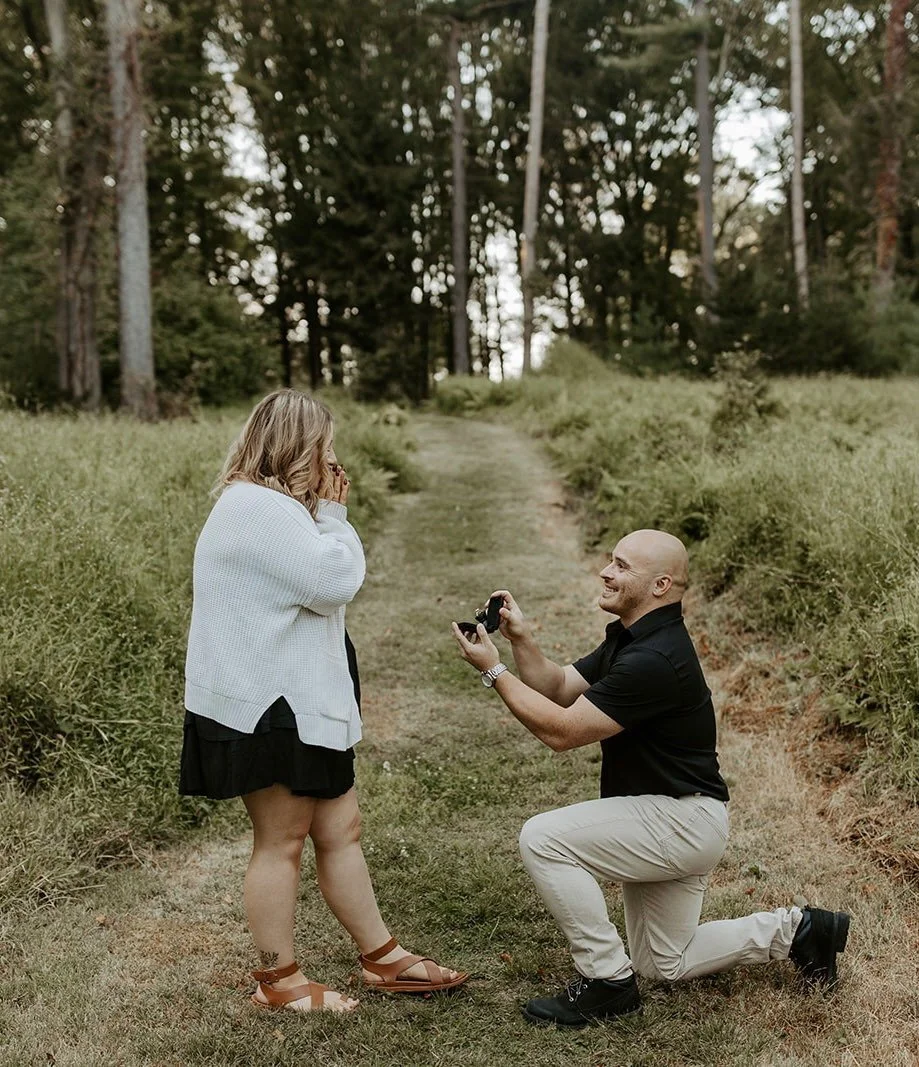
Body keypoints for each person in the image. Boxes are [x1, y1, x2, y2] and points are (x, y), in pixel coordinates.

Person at [451, 528, 849, 1028]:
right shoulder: (634, 638)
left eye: (621, 566)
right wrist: (520, 641)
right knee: (665, 962)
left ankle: (606, 981)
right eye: (610, 560)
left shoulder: (655, 659)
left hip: (680, 820)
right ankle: (801, 931)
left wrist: (493, 672)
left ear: (660, 586)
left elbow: (562, 732)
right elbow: (560, 687)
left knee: (543, 838)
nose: (605, 572)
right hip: (674, 817)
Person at [181, 389, 467, 1014]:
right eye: (325, 448)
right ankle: (277, 981)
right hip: (269, 705)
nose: (334, 463)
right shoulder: (257, 508)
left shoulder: (276, 509)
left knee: (341, 830)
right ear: (294, 449)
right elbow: (333, 581)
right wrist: (335, 517)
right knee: (281, 841)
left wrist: (322, 516)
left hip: (302, 701)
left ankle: (381, 956)